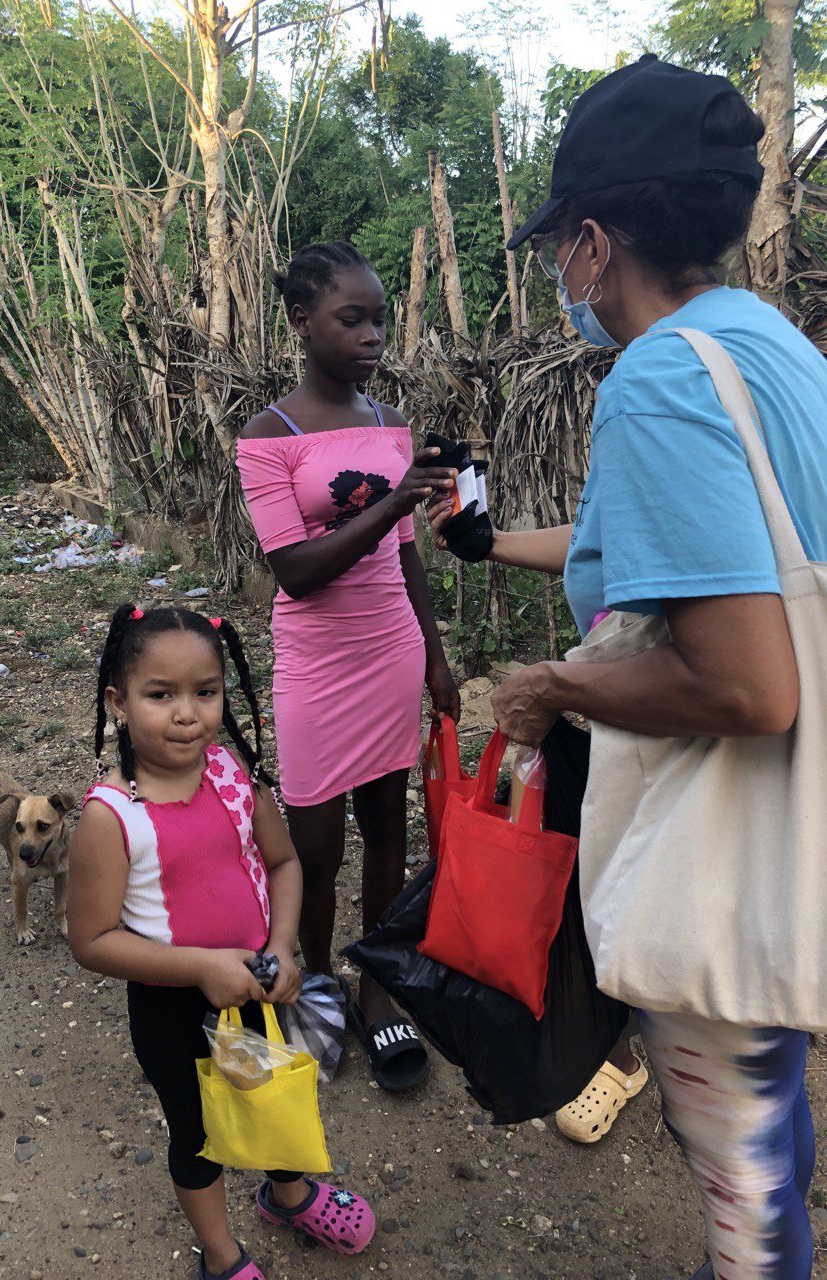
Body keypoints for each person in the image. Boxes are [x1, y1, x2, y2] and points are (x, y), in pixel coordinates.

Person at [431, 55, 825, 1280]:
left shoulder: (657, 380)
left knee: (745, 1192)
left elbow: (749, 684)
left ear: (595, 241)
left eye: (561, 247)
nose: (560, 273)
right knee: (770, 1108)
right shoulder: (766, 346)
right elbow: (645, 550)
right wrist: (487, 540)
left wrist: (556, 686)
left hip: (724, 826)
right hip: (796, 829)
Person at [68, 605, 375, 1280]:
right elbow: (90, 940)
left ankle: (287, 1194)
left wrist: (285, 947)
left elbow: (285, 862)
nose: (187, 714)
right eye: (160, 695)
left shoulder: (236, 775)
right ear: (118, 703)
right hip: (172, 1010)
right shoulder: (110, 816)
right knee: (197, 1133)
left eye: (205, 693)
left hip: (261, 985)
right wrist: (201, 967)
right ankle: (221, 1253)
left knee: (275, 1097)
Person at [236, 242, 460, 1092]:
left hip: (390, 650)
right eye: (350, 319)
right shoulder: (269, 434)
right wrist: (397, 498)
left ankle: (377, 988)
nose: (371, 335)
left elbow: (405, 561)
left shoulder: (387, 423)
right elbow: (293, 569)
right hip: (316, 662)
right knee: (317, 847)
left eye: (377, 319)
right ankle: (314, 982)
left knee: (386, 833)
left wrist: (436, 657)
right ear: (302, 322)